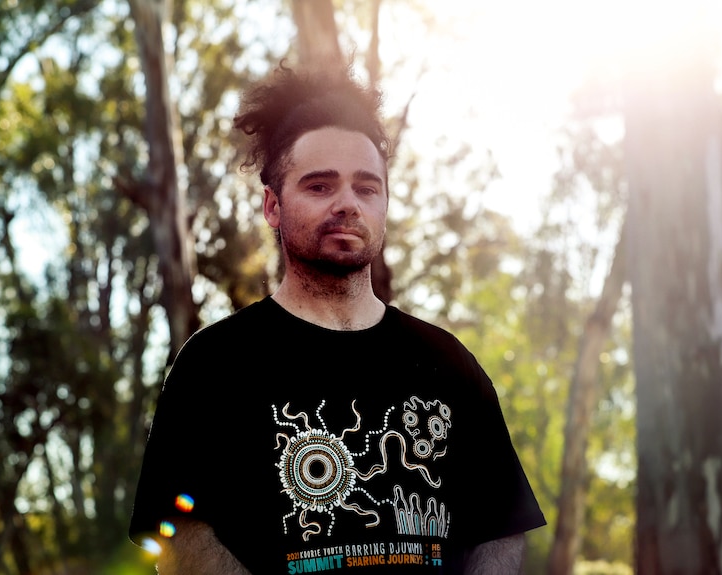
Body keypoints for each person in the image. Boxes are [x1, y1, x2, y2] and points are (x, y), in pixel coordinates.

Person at [129, 63, 546, 574]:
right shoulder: (213, 364)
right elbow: (179, 538)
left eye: (366, 188)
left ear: (385, 205)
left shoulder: (449, 364)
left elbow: (501, 530)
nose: (348, 204)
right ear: (273, 206)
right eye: (320, 186)